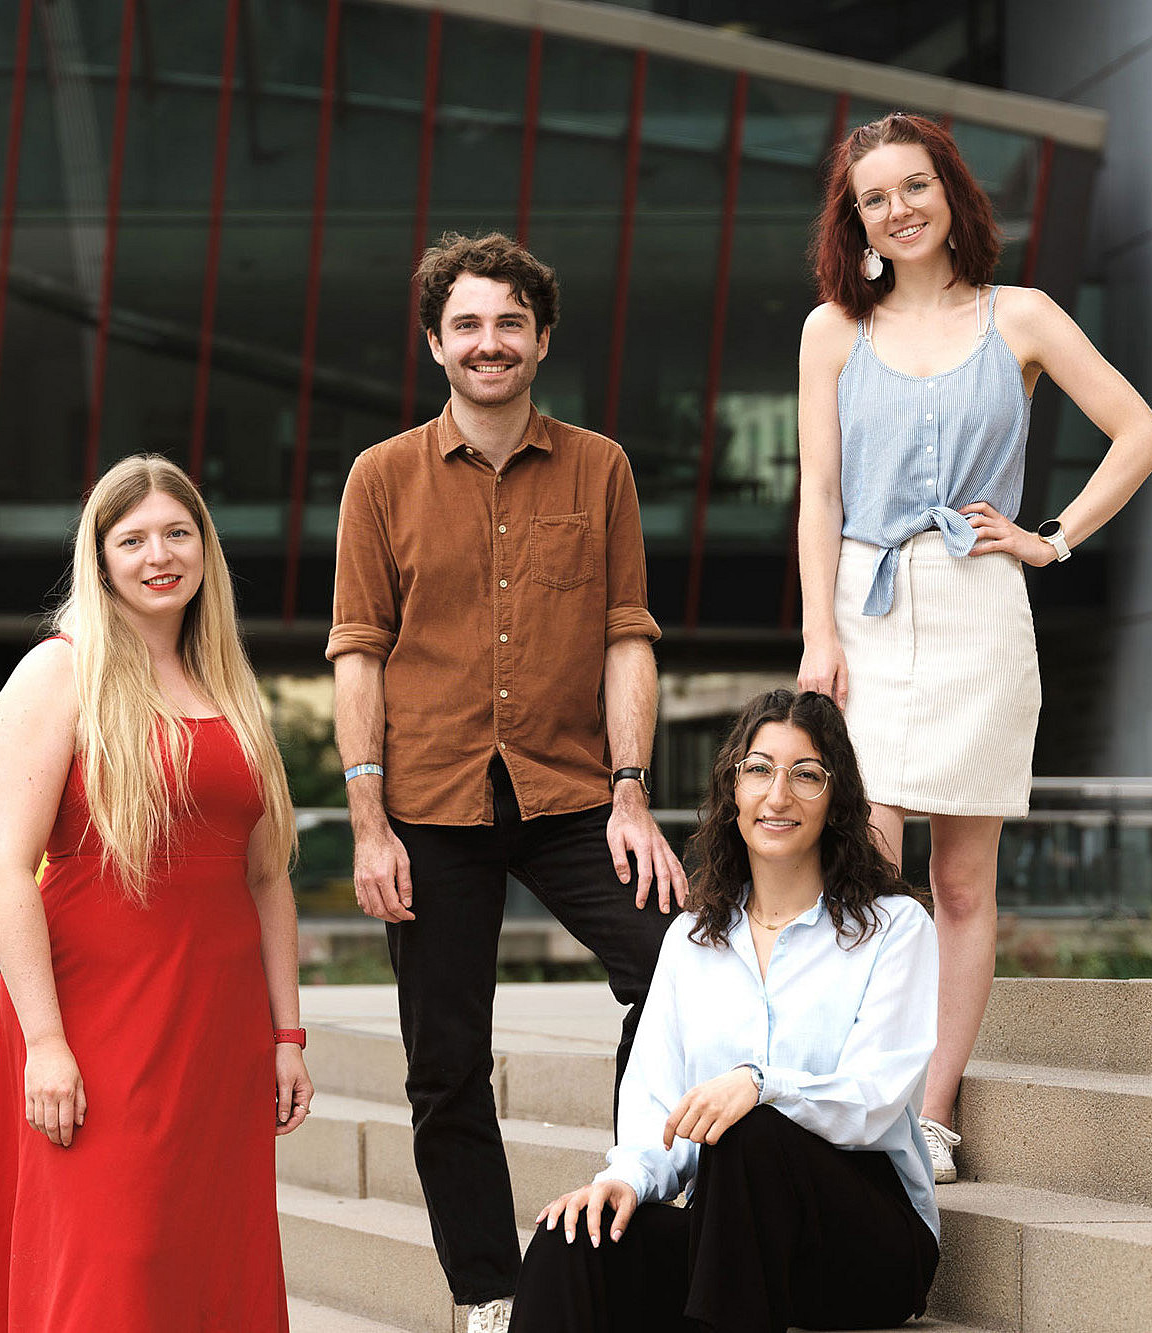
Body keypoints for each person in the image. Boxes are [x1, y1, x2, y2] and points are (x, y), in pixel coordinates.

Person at [794, 112, 1152, 1183]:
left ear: (952, 193)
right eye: (875, 197)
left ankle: (934, 1108)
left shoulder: (1025, 317)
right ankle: (854, 1081)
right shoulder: (834, 329)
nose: (898, 209)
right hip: (864, 610)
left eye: (915, 186)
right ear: (856, 219)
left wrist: (1052, 537)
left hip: (978, 607)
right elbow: (819, 493)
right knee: (857, 864)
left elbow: (1141, 431)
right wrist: (819, 630)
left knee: (962, 882)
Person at [327, 231, 681, 1333]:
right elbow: (358, 651)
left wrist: (633, 792)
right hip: (428, 804)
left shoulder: (601, 465)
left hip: (575, 791)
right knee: (444, 1063)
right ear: (435, 342)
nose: (491, 343)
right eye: (468, 324)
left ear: (541, 339)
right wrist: (367, 820)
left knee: (679, 966)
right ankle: (489, 1293)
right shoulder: (381, 477)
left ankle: (636, 1204)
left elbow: (628, 635)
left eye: (510, 324)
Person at [0, 454, 311, 1333]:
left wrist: (288, 1033)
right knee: (108, 1261)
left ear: (205, 549)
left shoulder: (229, 686)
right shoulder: (58, 672)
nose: (160, 555)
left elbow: (267, 875)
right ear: (102, 555)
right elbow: (5, 866)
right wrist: (44, 1041)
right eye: (134, 538)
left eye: (178, 533)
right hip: (95, 1022)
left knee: (208, 1260)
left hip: (218, 1028)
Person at [510, 688, 940, 1333]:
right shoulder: (692, 940)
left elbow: (874, 1098)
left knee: (750, 1129)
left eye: (807, 775)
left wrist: (761, 1086)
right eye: (759, 769)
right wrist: (625, 1182)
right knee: (570, 1236)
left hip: (864, 1242)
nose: (778, 796)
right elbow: (657, 1102)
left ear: (838, 799)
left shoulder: (893, 928)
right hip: (735, 1237)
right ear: (732, 789)